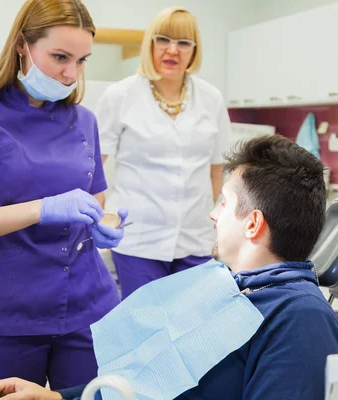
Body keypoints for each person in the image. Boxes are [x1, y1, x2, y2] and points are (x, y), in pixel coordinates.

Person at [0, 135, 338, 400]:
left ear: (253, 224)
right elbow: (150, 379)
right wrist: (58, 399)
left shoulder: (299, 319)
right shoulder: (235, 288)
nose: (212, 214)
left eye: (223, 203)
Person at [0, 0, 127, 390]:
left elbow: (97, 199)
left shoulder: (84, 120)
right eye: (60, 56)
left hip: (89, 304)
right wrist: (41, 209)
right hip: (7, 314)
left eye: (81, 61)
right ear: (23, 45)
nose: (70, 74)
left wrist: (102, 226)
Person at [95, 6, 232, 299]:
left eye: (184, 43)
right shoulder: (120, 96)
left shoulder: (211, 98)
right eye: (163, 40)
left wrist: (219, 226)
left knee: (193, 329)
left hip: (196, 239)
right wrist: (100, 218)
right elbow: (94, 167)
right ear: (150, 43)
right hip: (139, 240)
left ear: (194, 50)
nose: (173, 50)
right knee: (146, 331)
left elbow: (216, 169)